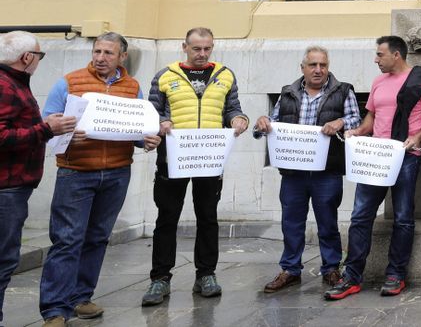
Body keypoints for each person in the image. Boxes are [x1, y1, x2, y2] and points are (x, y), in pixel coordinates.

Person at [39, 33, 161, 325]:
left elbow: (135, 129)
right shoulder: (69, 82)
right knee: (67, 240)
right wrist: (67, 132)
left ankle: (81, 298)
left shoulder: (133, 88)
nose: (100, 57)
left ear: (122, 57)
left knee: (97, 238)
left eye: (108, 52)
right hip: (76, 173)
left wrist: (146, 139)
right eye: (97, 51)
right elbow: (46, 125)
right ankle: (55, 310)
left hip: (117, 173)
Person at [325, 36, 421, 301]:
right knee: (360, 216)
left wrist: (419, 136)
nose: (375, 59)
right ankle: (352, 276)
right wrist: (357, 131)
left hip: (405, 155)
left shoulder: (420, 81)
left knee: (403, 217)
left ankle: (396, 275)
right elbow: (371, 118)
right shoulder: (378, 82)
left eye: (380, 55)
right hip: (376, 156)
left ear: (397, 55)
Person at [141, 27, 250, 306]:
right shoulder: (165, 75)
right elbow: (152, 111)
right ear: (184, 47)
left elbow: (232, 108)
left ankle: (206, 275)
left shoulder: (225, 74)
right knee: (167, 218)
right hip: (172, 158)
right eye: (196, 49)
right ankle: (160, 279)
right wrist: (161, 122)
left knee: (208, 218)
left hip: (210, 160)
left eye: (207, 49)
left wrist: (239, 119)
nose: (202, 54)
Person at [253, 46, 361, 293]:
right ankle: (290, 269)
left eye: (323, 65)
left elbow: (357, 119)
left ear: (328, 67)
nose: (318, 70)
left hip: (327, 171)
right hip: (293, 173)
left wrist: (341, 122)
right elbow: (271, 124)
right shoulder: (288, 93)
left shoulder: (343, 91)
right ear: (302, 68)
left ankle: (331, 268)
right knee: (291, 223)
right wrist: (263, 123)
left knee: (327, 223)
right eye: (313, 65)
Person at [0, 31, 74, 327]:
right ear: (27, 58)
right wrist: (46, 129)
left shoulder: (12, 82)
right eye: (39, 56)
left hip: (11, 186)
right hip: (6, 188)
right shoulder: (5, 86)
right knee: (3, 260)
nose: (39, 62)